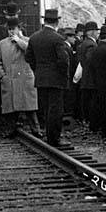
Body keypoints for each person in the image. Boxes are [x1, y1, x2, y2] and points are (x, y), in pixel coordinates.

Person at [25, 8, 70, 146]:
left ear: (45, 21)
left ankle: (48, 135)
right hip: (56, 80)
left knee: (46, 109)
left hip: (41, 79)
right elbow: (63, 60)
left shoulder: (34, 37)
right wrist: (62, 74)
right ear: (56, 22)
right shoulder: (58, 38)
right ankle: (54, 138)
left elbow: (28, 57)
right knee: (56, 110)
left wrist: (38, 70)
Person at [0, 18, 40, 137]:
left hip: (25, 79)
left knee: (30, 108)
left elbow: (31, 52)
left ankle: (36, 129)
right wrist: (2, 76)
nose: (11, 32)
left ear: (19, 29)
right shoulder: (1, 44)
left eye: (13, 29)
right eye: (9, 29)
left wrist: (19, 40)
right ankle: (10, 130)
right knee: (10, 109)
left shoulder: (27, 41)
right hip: (9, 80)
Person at [77, 21, 99, 127]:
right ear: (91, 32)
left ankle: (87, 121)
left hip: (85, 77)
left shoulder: (83, 44)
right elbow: (91, 61)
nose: (97, 33)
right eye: (95, 31)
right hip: (91, 78)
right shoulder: (91, 45)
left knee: (86, 100)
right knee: (91, 102)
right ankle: (91, 123)